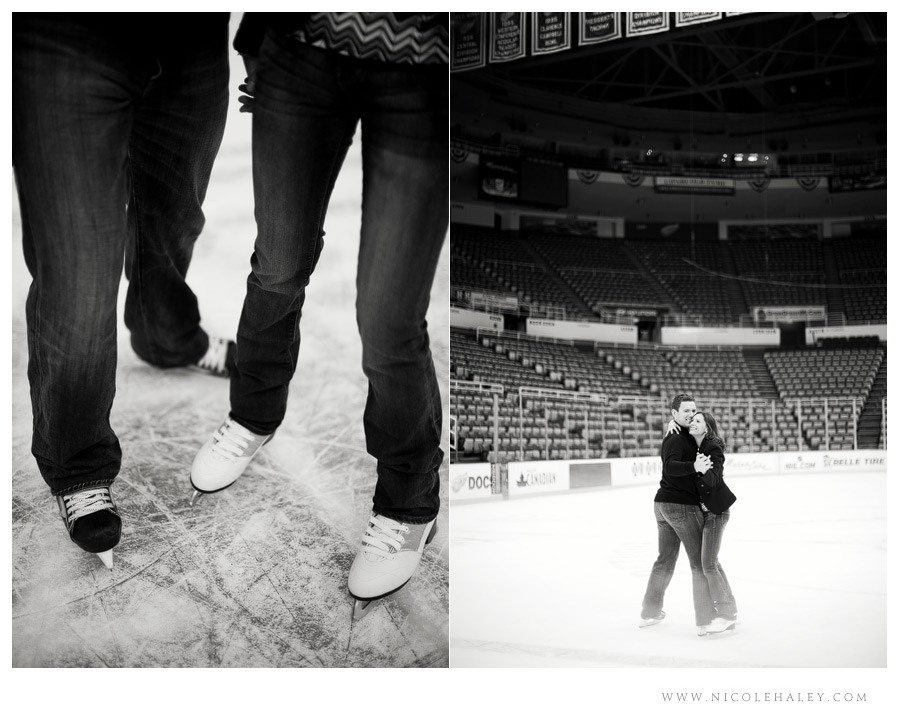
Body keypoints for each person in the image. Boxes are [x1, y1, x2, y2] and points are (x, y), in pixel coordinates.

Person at [188, 13, 448, 618]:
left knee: (387, 316)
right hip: (303, 45)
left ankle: (410, 498)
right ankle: (252, 416)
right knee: (277, 265)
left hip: (430, 69)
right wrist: (258, 36)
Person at [12, 14, 232, 569]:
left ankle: (167, 336)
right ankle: (78, 462)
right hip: (65, 36)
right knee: (78, 270)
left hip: (192, 36)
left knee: (173, 219)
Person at [639, 393, 716, 634]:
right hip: (679, 506)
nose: (691, 414)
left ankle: (650, 613)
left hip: (665, 505)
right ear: (674, 414)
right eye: (685, 411)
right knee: (699, 564)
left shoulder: (682, 433)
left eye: (693, 410)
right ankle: (705, 620)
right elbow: (670, 467)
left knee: (664, 561)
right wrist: (693, 467)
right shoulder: (674, 437)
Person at [687, 411, 738, 633]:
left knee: (708, 563)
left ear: (706, 427)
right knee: (712, 562)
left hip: (717, 511)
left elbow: (715, 480)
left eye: (698, 421)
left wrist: (702, 468)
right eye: (692, 419)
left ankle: (726, 615)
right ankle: (731, 609)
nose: (692, 422)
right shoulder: (695, 447)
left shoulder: (712, 448)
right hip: (706, 513)